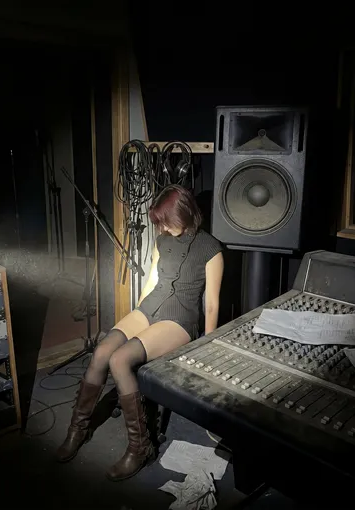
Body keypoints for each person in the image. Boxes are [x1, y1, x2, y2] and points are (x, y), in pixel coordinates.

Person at [56, 184, 224, 481]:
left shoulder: (211, 249)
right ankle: (77, 429)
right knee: (103, 351)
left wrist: (207, 347)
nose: (162, 227)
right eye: (159, 222)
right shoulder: (162, 240)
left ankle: (140, 447)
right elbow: (153, 281)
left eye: (165, 221)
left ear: (183, 213)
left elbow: (211, 304)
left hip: (179, 318)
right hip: (151, 307)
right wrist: (137, 314)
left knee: (120, 360)